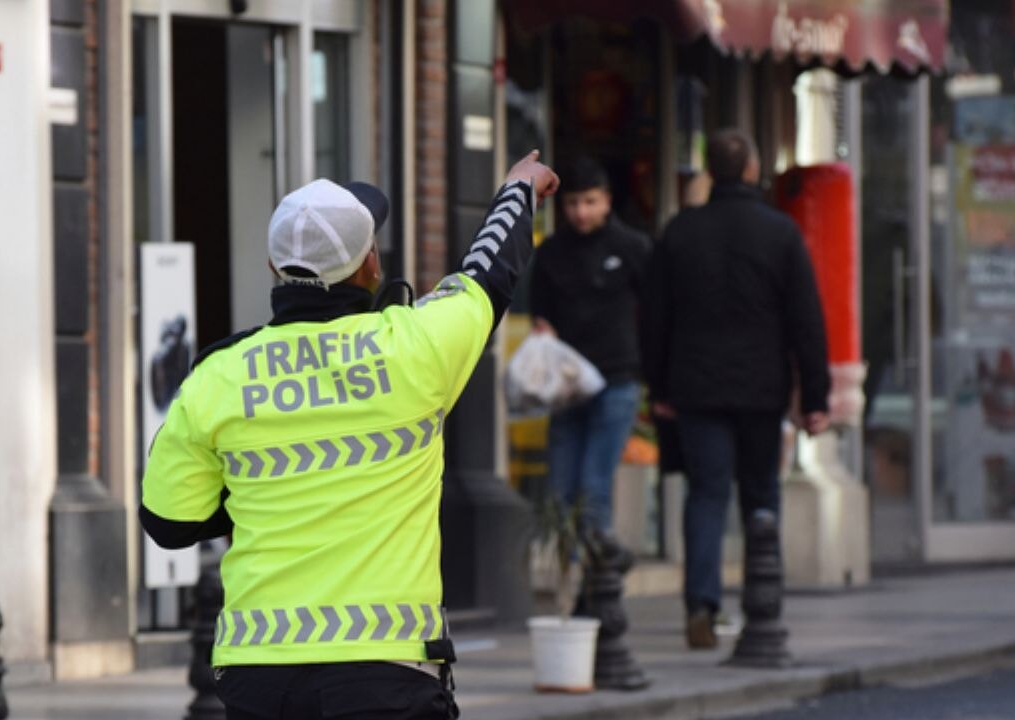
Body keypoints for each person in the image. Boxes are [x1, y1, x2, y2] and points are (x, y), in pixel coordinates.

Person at [140, 152, 560, 719]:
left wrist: (259, 492)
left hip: (260, 677)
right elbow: (489, 272)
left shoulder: (218, 375)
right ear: (371, 265)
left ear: (273, 266)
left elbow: (169, 523)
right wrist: (519, 188)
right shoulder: (417, 346)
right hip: (386, 675)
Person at [641, 128, 830, 650]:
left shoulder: (680, 232)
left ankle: (701, 606)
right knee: (760, 494)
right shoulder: (780, 233)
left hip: (696, 387)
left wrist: (659, 386)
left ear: (711, 172)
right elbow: (807, 321)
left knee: (706, 494)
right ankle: (762, 603)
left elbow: (654, 318)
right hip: (761, 389)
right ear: (750, 170)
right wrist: (815, 397)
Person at [530, 156, 651, 541]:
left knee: (594, 486)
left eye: (590, 202)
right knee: (560, 489)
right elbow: (539, 312)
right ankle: (568, 567)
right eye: (572, 203)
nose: (581, 212)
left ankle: (597, 571)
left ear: (607, 201)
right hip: (566, 384)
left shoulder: (632, 247)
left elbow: (656, 310)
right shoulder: (551, 252)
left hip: (616, 380)